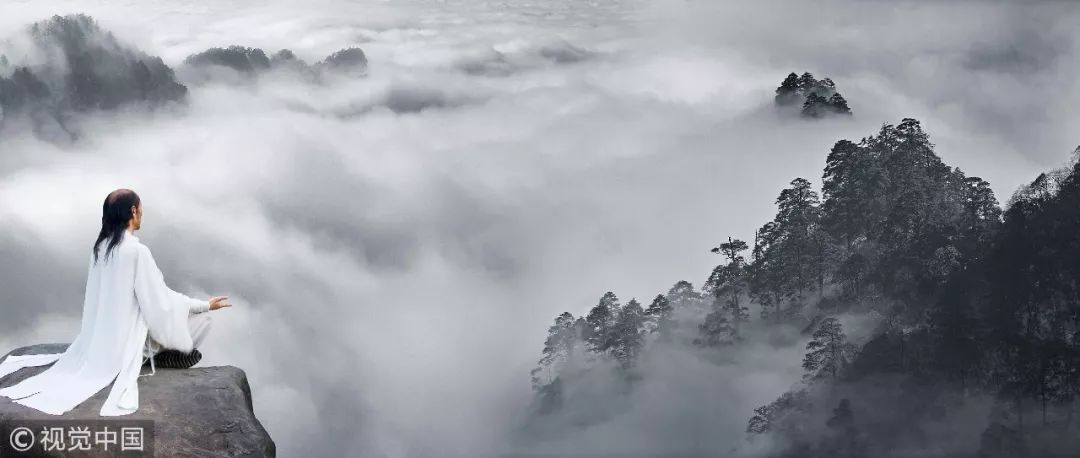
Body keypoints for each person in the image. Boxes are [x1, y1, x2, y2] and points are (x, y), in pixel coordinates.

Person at [0, 189, 232, 416]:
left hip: (100, 342)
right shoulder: (137, 251)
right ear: (133, 211)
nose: (142, 214)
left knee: (176, 318)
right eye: (141, 210)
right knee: (204, 321)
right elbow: (160, 301)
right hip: (129, 344)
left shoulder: (100, 248)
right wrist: (203, 305)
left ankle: (162, 351)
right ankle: (160, 353)